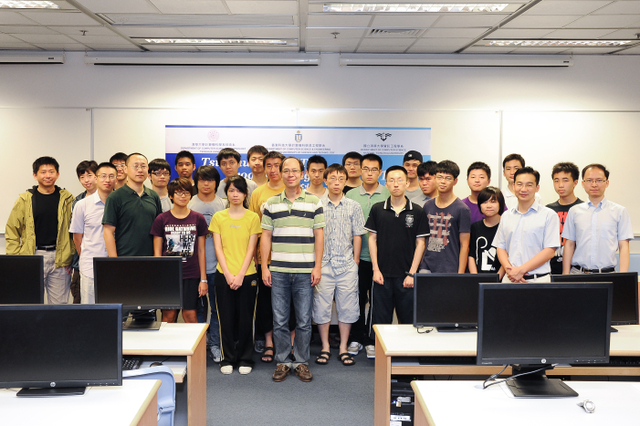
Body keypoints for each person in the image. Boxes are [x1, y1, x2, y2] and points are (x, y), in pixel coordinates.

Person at [261, 156, 325, 383]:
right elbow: (266, 236)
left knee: (304, 321)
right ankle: (282, 361)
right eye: (285, 170)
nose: (290, 174)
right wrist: (264, 266)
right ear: (279, 172)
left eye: (294, 171)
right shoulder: (270, 203)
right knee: (279, 320)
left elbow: (319, 236)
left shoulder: (314, 202)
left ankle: (300, 362)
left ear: (302, 174)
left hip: (305, 272)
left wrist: (317, 267)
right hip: (277, 271)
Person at [365, 166, 428, 358]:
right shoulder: (378, 209)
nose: (396, 184)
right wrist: (375, 269)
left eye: (400, 180)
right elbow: (372, 240)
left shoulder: (417, 211)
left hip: (406, 277)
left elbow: (421, 243)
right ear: (386, 183)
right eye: (391, 180)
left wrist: (411, 273)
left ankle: (407, 352)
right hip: (382, 275)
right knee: (380, 317)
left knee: (408, 318)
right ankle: (379, 350)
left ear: (407, 183)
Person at [313, 164, 365, 367]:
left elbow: (358, 234)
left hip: (347, 264)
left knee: (347, 306)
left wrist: (356, 260)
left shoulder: (354, 206)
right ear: (325, 181)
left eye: (341, 179)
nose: (336, 182)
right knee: (322, 306)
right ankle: (325, 346)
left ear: (346, 181)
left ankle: (343, 347)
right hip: (323, 264)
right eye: (332, 178)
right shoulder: (316, 205)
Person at [6, 156, 75, 304]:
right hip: (33, 256)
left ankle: (55, 328)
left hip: (60, 259)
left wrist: (71, 256)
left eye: (51, 171)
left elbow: (75, 231)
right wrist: (17, 258)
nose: (48, 175)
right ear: (35, 175)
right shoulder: (25, 199)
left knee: (59, 305)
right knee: (29, 302)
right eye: (43, 172)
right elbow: (12, 230)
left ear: (57, 174)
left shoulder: (68, 199)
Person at [210, 175, 262, 375]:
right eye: (231, 190)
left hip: (247, 275)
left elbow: (251, 250)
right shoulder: (219, 217)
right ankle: (228, 358)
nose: (235, 194)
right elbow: (218, 249)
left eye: (239, 190)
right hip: (224, 275)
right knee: (225, 318)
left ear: (245, 193)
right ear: (226, 194)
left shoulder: (253, 217)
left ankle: (245, 358)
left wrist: (240, 275)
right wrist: (229, 275)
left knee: (246, 319)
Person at [345, 153, 389, 359]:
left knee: (377, 302)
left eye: (374, 169)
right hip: (356, 258)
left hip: (381, 260)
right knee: (357, 299)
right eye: (366, 169)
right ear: (360, 170)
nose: (370, 173)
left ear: (380, 172)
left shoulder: (390, 193)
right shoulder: (350, 195)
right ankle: (356, 337)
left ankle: (371, 339)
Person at [151, 177, 209, 323]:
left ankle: (195, 347)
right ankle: (168, 347)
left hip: (191, 275)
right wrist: (158, 278)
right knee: (168, 316)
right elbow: (157, 253)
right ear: (171, 195)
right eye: (178, 193)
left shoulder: (198, 218)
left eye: (186, 193)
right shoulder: (161, 219)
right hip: (169, 276)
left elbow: (201, 251)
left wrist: (203, 279)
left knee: (190, 315)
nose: (183, 196)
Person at [562, 164, 634, 274]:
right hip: (578, 274)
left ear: (607, 183)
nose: (594, 184)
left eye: (599, 180)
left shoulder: (619, 211)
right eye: (589, 180)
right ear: (583, 183)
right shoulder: (574, 211)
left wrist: (622, 276)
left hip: (608, 275)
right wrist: (565, 274)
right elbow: (569, 244)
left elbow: (624, 246)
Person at [249, 151, 286, 363]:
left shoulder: (292, 190)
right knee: (266, 303)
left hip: (289, 258)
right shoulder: (258, 193)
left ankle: (288, 343)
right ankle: (269, 343)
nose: (273, 170)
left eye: (277, 165)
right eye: (269, 165)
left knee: (288, 303)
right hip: (266, 259)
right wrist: (256, 256)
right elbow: (255, 228)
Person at [493, 167, 560, 283]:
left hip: (538, 280)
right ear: (514, 186)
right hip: (510, 279)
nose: (523, 189)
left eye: (529, 185)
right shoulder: (506, 215)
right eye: (519, 184)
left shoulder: (549, 215)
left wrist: (521, 270)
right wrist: (510, 270)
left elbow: (550, 250)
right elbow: (501, 247)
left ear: (537, 188)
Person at [188, 165, 226, 362]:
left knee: (218, 310)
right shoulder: (189, 203)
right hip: (196, 268)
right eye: (202, 179)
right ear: (196, 182)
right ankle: (200, 346)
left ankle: (215, 345)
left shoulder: (224, 204)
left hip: (220, 267)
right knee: (199, 309)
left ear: (216, 183)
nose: (206, 183)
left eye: (210, 180)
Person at [69, 162, 116, 304]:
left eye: (111, 176)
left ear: (117, 178)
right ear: (96, 178)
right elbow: (77, 237)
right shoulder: (82, 204)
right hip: (90, 266)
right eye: (103, 176)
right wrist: (85, 258)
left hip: (116, 265)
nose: (107, 180)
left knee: (115, 308)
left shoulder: (122, 204)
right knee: (90, 310)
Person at [103, 153, 163, 257]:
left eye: (143, 166)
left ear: (147, 169)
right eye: (135, 166)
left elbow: (158, 231)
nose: (140, 170)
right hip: (124, 259)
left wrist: (157, 257)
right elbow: (108, 232)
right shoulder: (115, 197)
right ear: (125, 169)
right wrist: (114, 261)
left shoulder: (153, 196)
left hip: (150, 260)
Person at [420, 160, 471, 274]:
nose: (443, 181)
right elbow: (423, 239)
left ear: (455, 181)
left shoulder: (462, 209)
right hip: (427, 266)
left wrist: (460, 274)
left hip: (449, 268)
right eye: (439, 177)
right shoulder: (427, 206)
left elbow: (464, 245)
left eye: (448, 178)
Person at [546, 162, 583, 275]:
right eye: (556, 180)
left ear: (575, 182)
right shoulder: (548, 210)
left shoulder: (583, 209)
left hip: (576, 268)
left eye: (565, 180)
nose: (560, 185)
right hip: (550, 267)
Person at [69, 160, 98, 304]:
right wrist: (84, 258)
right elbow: (76, 236)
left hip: (106, 258)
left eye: (89, 175)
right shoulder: (78, 202)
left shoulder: (111, 198)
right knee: (80, 301)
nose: (86, 180)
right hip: (83, 262)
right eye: (82, 177)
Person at [468, 186, 505, 278]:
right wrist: (475, 278)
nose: (488, 205)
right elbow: (471, 255)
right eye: (484, 202)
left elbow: (509, 256)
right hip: (477, 279)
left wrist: (496, 279)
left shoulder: (506, 227)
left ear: (500, 204)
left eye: (493, 202)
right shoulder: (475, 227)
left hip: (500, 279)